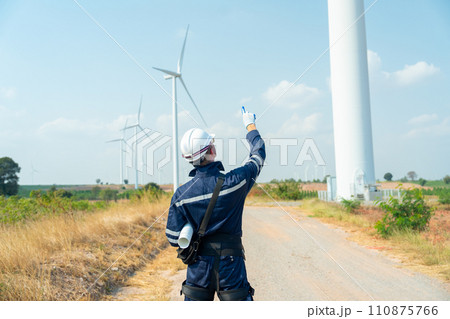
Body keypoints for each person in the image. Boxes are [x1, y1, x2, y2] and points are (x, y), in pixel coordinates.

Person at [165, 107, 265, 301]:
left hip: (198, 269)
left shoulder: (181, 195)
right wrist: (250, 125)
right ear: (212, 150)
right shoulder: (235, 181)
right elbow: (258, 155)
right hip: (231, 263)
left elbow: (173, 237)